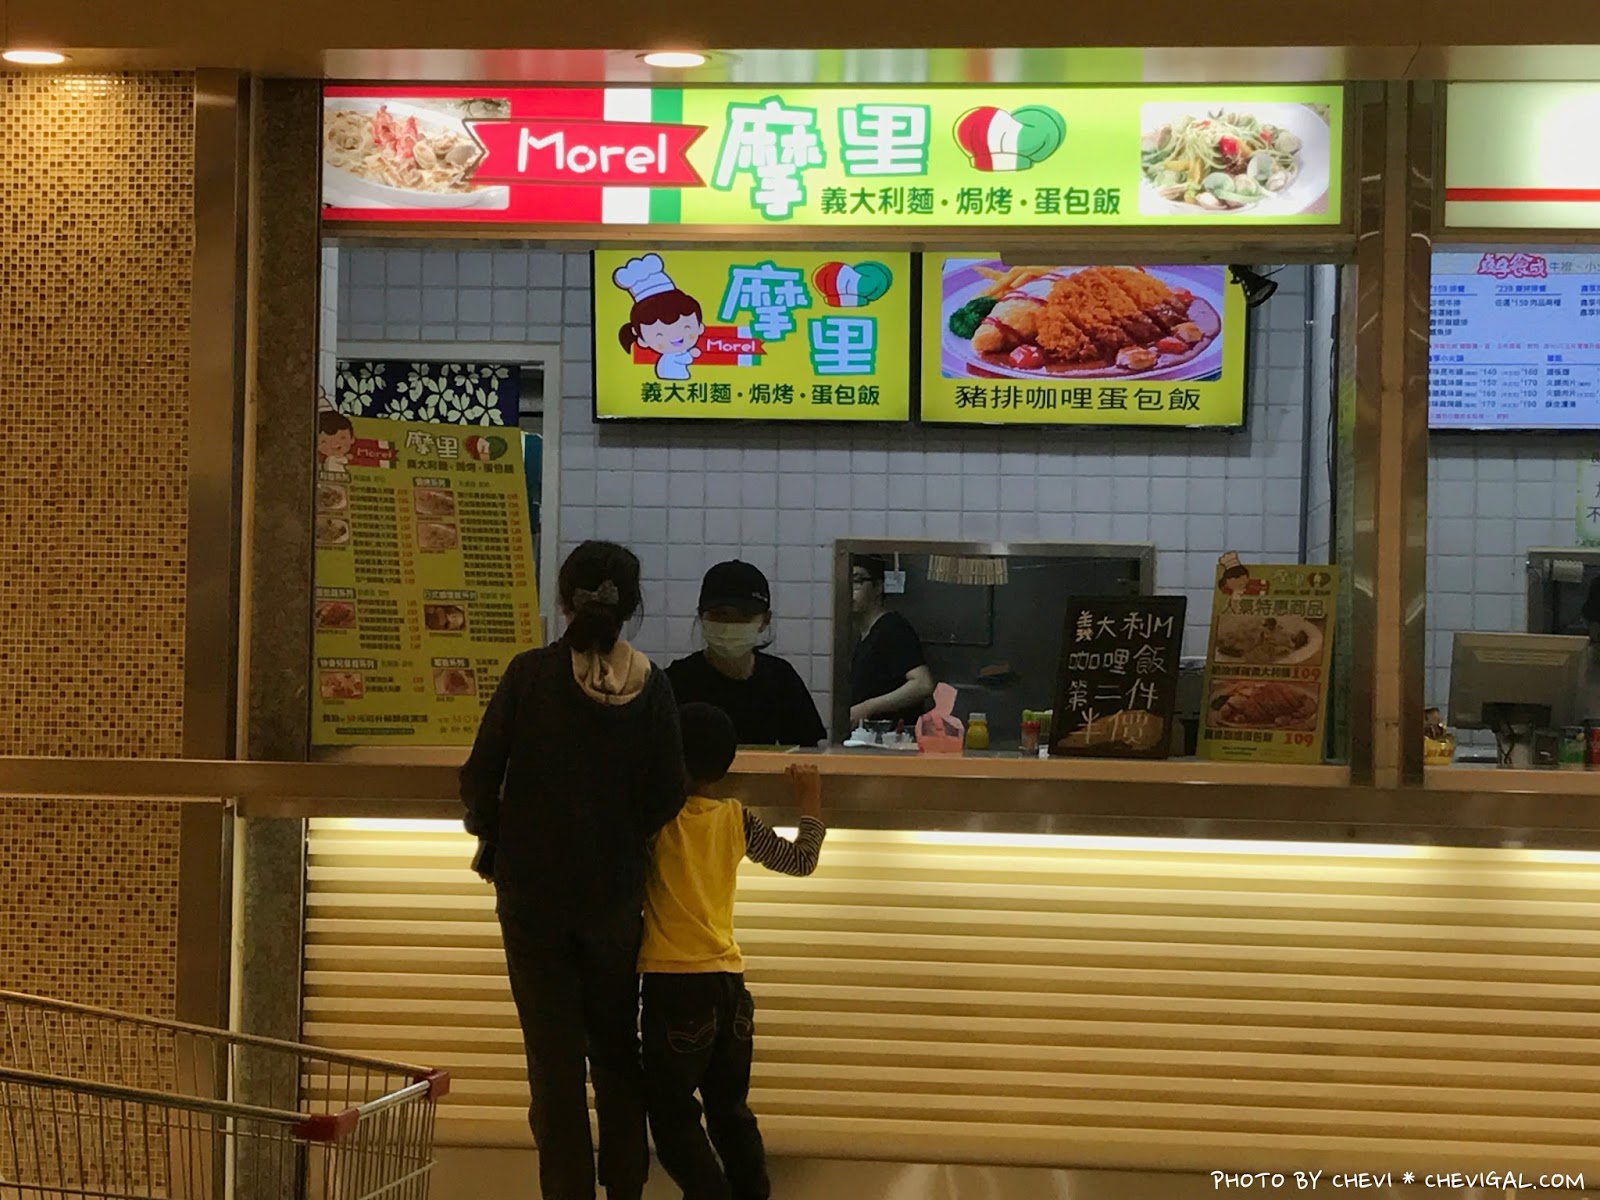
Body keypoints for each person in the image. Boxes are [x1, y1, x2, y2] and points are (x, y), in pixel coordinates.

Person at [460, 541, 687, 1200]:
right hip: (613, 898)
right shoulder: (653, 687)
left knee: (554, 1066)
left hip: (532, 897)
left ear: (563, 601)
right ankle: (625, 1188)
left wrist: (494, 833)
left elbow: (478, 778)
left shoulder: (529, 675)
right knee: (615, 1052)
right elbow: (668, 793)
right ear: (632, 605)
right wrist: (621, 835)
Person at [639, 703, 825, 1200]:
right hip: (729, 986)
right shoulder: (735, 819)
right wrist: (810, 801)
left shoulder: (655, 822)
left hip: (673, 986)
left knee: (672, 1116)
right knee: (730, 1112)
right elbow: (801, 860)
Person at [666, 561, 827, 748]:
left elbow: (808, 751)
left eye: (744, 615)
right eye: (719, 614)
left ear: (765, 620)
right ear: (701, 616)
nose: (730, 625)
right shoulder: (675, 682)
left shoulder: (781, 679)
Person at [848, 555, 935, 729]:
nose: (849, 590)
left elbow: (923, 684)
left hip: (893, 736)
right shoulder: (865, 634)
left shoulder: (892, 627)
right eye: (846, 582)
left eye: (857, 581)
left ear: (878, 587)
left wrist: (866, 708)